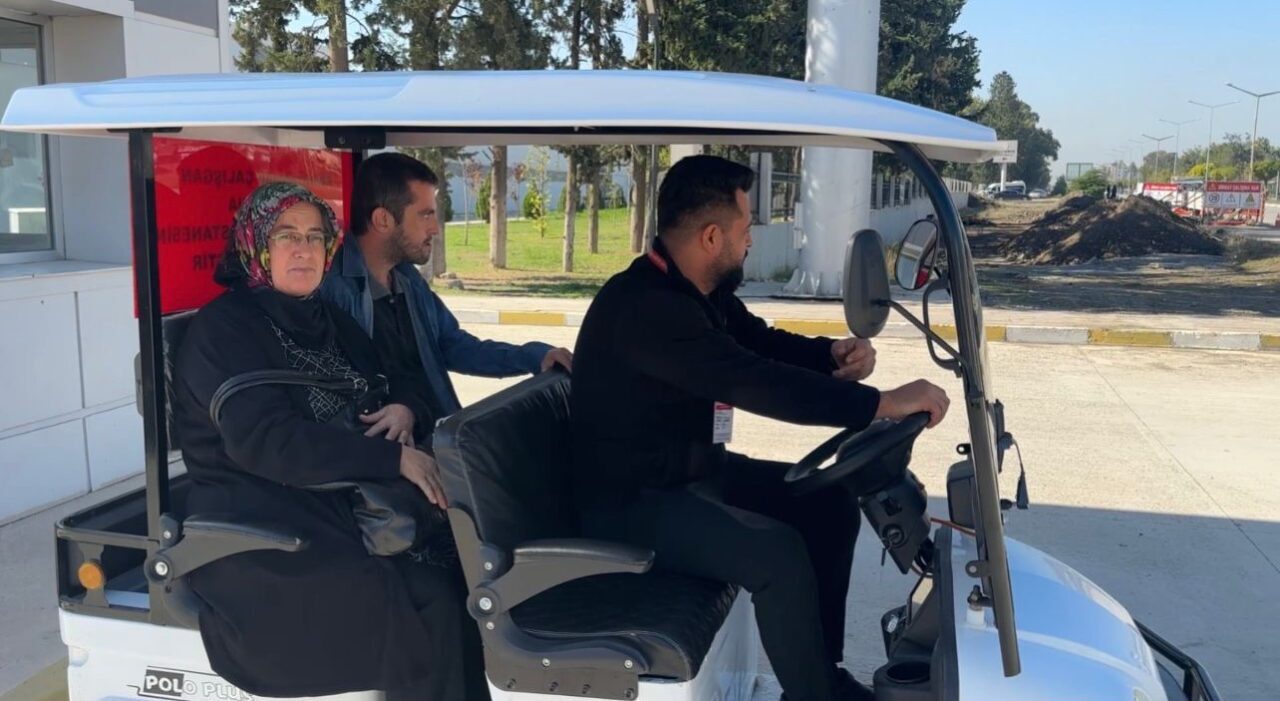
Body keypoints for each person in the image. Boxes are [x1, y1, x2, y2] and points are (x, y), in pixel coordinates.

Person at [570, 155, 951, 701]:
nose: (751, 240)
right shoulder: (646, 309)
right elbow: (753, 382)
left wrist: (828, 357)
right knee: (777, 555)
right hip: (630, 504)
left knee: (829, 504)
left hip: (690, 473)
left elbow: (758, 343)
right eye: (746, 228)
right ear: (711, 237)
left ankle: (818, 678)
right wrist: (881, 404)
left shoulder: (695, 293)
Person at [171, 182, 488, 701]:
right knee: (427, 598)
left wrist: (405, 409)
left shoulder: (327, 318)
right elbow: (268, 443)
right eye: (286, 236)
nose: (304, 250)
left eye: (315, 237)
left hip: (342, 504)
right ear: (255, 243)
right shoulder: (225, 331)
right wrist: (392, 459)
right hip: (264, 528)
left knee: (472, 565)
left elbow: (400, 376)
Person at [319, 152, 571, 449]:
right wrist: (404, 410)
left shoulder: (407, 280)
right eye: (425, 214)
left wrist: (533, 356)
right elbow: (342, 400)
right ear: (383, 220)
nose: (435, 228)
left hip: (441, 443)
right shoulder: (334, 291)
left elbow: (453, 345)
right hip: (393, 462)